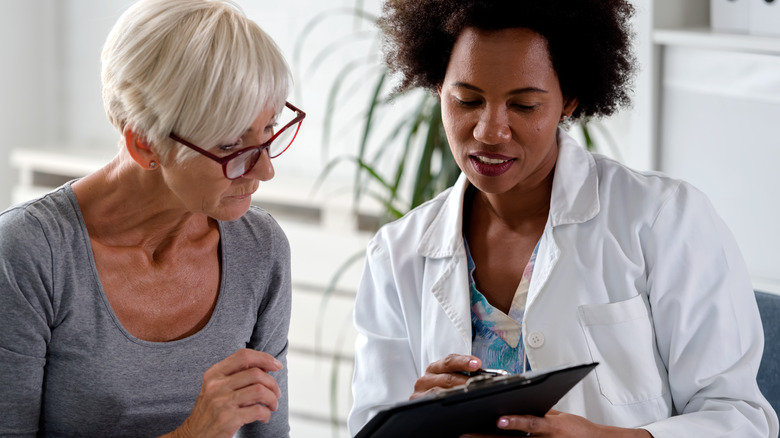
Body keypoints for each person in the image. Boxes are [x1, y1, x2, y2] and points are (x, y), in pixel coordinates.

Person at [348, 0, 779, 437]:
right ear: (439, 88)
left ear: (569, 100)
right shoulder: (396, 252)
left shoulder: (664, 220)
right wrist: (418, 422)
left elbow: (740, 419)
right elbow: (370, 425)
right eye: (467, 100)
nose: (489, 131)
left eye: (524, 106)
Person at [0, 0, 305, 436]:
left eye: (269, 131)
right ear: (145, 144)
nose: (264, 170)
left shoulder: (260, 248)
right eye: (230, 147)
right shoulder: (29, 253)